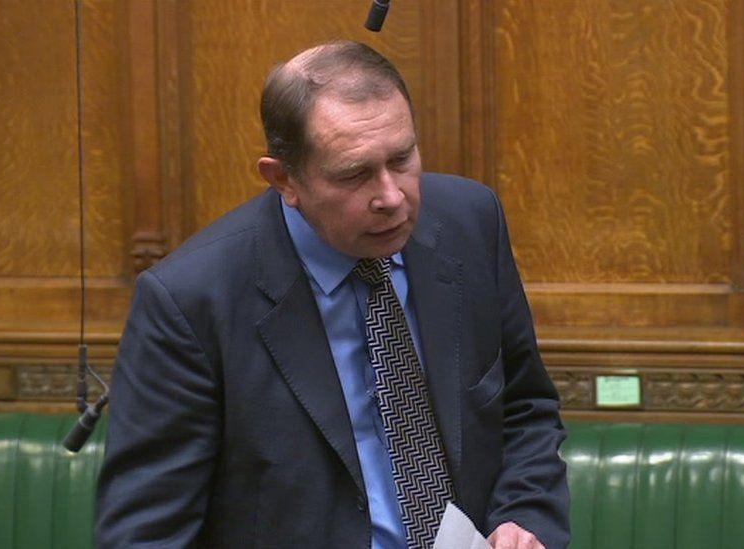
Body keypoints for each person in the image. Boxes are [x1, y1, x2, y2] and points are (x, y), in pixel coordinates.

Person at [95, 40, 569, 549]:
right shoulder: (191, 302)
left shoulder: (468, 223)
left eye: (402, 158)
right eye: (354, 174)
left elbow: (525, 408)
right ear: (284, 179)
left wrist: (522, 517)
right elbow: (144, 535)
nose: (391, 197)